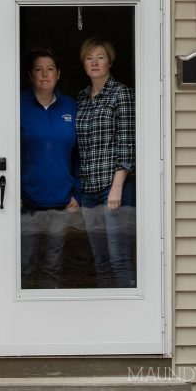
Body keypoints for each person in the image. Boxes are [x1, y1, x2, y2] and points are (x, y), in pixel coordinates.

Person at [76, 37, 136, 288]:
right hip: (88, 190)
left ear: (110, 61)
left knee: (118, 257)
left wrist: (117, 186)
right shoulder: (81, 98)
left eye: (100, 57)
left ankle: (129, 318)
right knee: (99, 259)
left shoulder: (121, 94)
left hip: (113, 189)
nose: (94, 62)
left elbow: (127, 142)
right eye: (89, 58)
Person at [20, 48, 79, 288]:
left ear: (58, 74)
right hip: (26, 201)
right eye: (38, 69)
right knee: (25, 264)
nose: (45, 74)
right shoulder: (17, 104)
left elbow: (80, 153)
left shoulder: (70, 106)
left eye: (50, 69)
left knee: (52, 266)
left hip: (62, 201)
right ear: (30, 75)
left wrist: (77, 191)